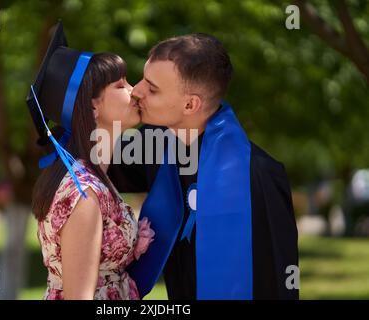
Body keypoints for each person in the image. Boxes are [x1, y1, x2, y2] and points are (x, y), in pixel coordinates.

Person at [108, 33, 299, 300]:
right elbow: (99, 163)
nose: (136, 91)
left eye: (152, 88)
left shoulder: (258, 176)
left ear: (190, 104)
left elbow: (277, 284)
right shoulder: (155, 145)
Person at [26, 22, 154, 300]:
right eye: (121, 85)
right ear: (93, 105)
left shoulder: (96, 178)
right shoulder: (84, 194)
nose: (135, 91)